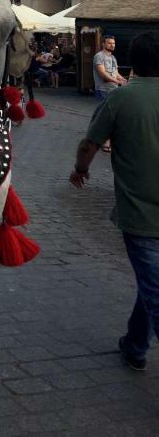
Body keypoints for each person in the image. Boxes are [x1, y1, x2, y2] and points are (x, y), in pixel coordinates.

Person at [69, 31, 159, 372]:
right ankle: (135, 345)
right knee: (152, 287)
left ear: (132, 62)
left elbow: (89, 145)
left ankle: (137, 345)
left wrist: (80, 170)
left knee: (155, 289)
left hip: (142, 215)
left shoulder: (120, 100)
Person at [93, 34, 127, 152]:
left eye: (113, 43)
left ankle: (109, 140)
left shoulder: (113, 58)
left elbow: (115, 73)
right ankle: (104, 141)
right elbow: (103, 74)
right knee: (107, 117)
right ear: (103, 44)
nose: (112, 45)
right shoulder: (99, 56)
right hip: (103, 90)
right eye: (109, 43)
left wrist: (124, 80)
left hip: (113, 89)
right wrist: (117, 81)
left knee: (114, 116)